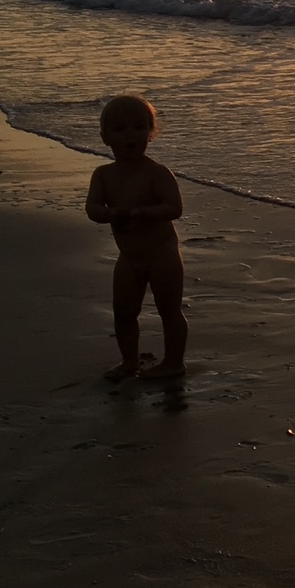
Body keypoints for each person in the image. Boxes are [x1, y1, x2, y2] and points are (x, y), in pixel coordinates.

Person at [84, 95, 187, 381]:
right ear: (105, 137)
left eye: (139, 127)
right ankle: (129, 361)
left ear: (151, 132)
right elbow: (93, 209)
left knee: (169, 310)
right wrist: (111, 213)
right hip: (129, 256)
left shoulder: (157, 173)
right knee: (123, 311)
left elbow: (174, 208)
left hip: (162, 253)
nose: (130, 134)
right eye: (120, 129)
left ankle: (174, 362)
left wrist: (144, 213)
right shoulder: (103, 175)